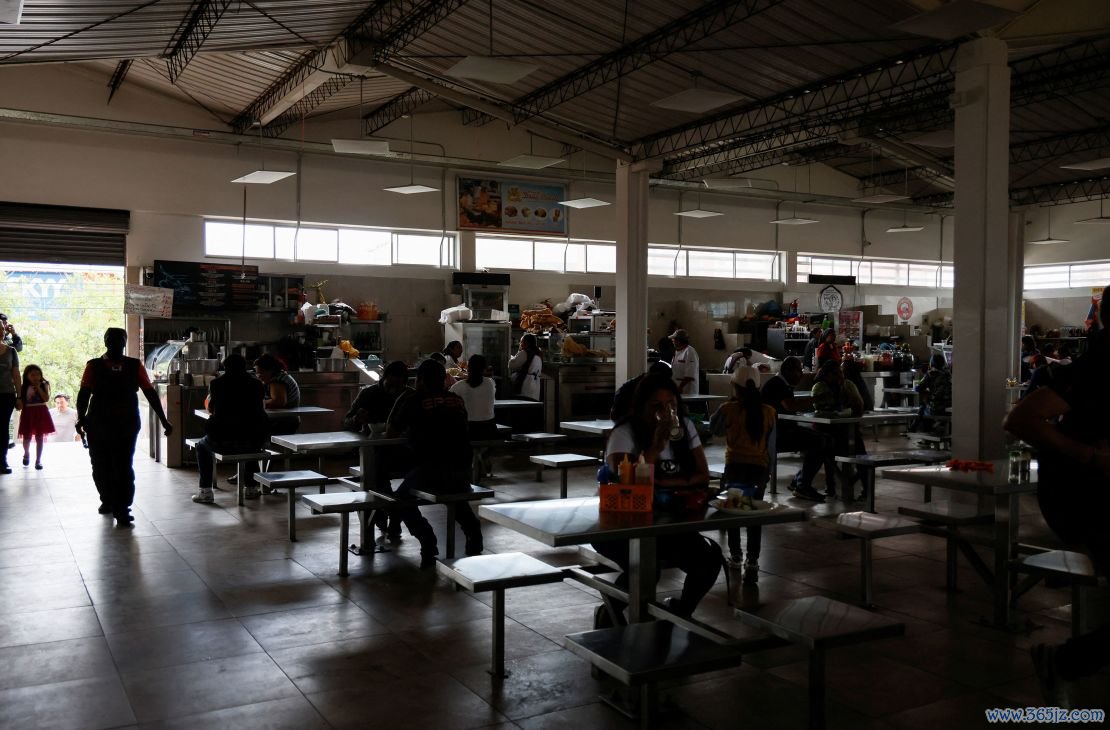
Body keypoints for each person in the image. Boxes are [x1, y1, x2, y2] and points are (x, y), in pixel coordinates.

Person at [1004, 290, 1110, 706]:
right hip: (1090, 502)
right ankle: (1064, 662)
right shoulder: (1095, 369)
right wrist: (1087, 455)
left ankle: (1067, 662)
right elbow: (1021, 418)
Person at [594, 373, 720, 620]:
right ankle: (612, 607)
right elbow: (624, 482)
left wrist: (659, 482)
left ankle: (681, 612)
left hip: (668, 521)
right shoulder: (625, 433)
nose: (666, 412)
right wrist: (654, 449)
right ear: (642, 406)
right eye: (657, 406)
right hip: (623, 524)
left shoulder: (685, 428)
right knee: (645, 566)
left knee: (708, 558)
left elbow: (702, 475)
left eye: (671, 405)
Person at [386, 359, 482, 569]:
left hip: (431, 470)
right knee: (455, 493)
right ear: (443, 379)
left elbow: (391, 432)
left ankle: (427, 539)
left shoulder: (414, 400)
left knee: (401, 498)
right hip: (464, 470)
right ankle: (474, 534)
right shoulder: (456, 400)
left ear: (419, 380)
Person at [76, 328, 172, 526]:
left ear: (125, 342)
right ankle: (107, 500)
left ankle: (122, 508)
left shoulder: (134, 365)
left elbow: (150, 393)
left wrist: (164, 419)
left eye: (120, 340)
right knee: (100, 465)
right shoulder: (93, 366)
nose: (116, 343)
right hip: (98, 423)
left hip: (125, 424)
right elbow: (83, 394)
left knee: (122, 466)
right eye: (112, 339)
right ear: (105, 342)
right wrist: (81, 418)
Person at [710, 364, 776, 584]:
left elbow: (714, 430)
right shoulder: (769, 411)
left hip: (735, 467)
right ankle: (753, 560)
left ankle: (736, 555)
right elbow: (771, 445)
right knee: (753, 514)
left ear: (735, 387)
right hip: (758, 469)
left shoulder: (728, 409)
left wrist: (725, 407)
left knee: (734, 512)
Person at [342, 360, 412, 541]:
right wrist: (357, 419)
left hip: (403, 450)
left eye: (399, 385)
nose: (394, 389)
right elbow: (347, 421)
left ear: (405, 382)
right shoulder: (368, 394)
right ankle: (387, 512)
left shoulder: (409, 395)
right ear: (384, 378)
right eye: (391, 384)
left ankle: (390, 512)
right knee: (377, 474)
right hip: (374, 451)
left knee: (408, 479)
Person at [191, 355, 269, 504]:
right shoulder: (257, 384)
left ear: (225, 367)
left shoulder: (216, 384)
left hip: (222, 441)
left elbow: (212, 409)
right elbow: (260, 408)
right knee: (251, 442)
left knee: (201, 446)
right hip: (253, 439)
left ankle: (205, 490)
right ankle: (251, 488)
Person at [761, 357, 829, 502]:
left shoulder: (781, 384)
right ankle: (803, 485)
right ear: (788, 371)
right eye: (798, 371)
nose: (801, 374)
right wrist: (816, 399)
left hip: (780, 431)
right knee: (820, 441)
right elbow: (790, 406)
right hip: (775, 435)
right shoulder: (777, 384)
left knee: (824, 437)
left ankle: (799, 481)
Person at [810, 361, 865, 498]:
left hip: (847, 428)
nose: (840, 376)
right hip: (825, 428)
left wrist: (845, 396)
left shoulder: (848, 385)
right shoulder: (819, 387)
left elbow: (859, 406)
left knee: (860, 453)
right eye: (835, 374)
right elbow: (821, 407)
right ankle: (831, 485)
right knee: (829, 449)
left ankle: (867, 488)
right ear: (827, 375)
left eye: (840, 373)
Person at [17, 364, 54, 469]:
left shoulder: (44, 384)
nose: (36, 377)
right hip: (28, 412)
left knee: (39, 437)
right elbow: (22, 401)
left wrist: (38, 388)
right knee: (27, 436)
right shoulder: (23, 387)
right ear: (27, 376)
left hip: (41, 412)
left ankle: (38, 460)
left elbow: (46, 399)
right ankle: (26, 453)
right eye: (32, 375)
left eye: (38, 374)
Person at [254, 353, 301, 436]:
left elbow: (278, 402)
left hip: (283, 421)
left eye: (261, 373)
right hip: (285, 419)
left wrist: (257, 403)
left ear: (270, 370)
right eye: (257, 373)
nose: (259, 376)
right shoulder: (280, 376)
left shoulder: (277, 380)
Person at [914, 354, 952, 432]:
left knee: (922, 408)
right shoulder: (948, 374)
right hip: (950, 407)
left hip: (937, 408)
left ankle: (916, 430)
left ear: (932, 362)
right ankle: (935, 427)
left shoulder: (930, 374)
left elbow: (918, 388)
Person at [0, 338, 19, 474]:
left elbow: (16, 375)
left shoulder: (11, 351)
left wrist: (20, 396)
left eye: (2, 328)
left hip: (6, 394)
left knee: (2, 428)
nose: (1, 331)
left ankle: (2, 461)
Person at [509, 333, 542, 401]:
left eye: (521, 341)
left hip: (526, 384)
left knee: (523, 405)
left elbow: (512, 364)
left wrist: (511, 356)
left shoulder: (525, 352)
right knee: (531, 405)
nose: (520, 344)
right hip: (535, 385)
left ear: (527, 342)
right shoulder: (538, 352)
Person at [669, 329, 700, 396]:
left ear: (679, 341)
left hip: (688, 391)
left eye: (673, 339)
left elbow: (690, 375)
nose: (672, 341)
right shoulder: (677, 352)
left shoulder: (690, 352)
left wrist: (680, 387)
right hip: (677, 390)